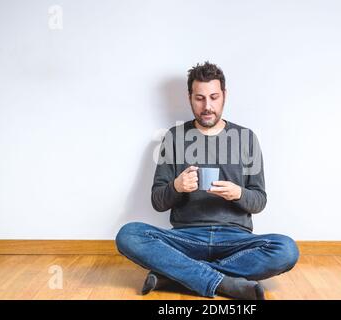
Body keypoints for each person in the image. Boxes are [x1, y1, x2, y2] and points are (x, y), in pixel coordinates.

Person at [115, 61, 299, 300]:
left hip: (236, 240)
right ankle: (224, 282)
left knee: (286, 249)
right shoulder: (174, 137)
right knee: (129, 235)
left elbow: (259, 201)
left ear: (224, 95)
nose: (207, 106)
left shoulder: (246, 138)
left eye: (214, 97)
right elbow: (158, 201)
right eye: (199, 98)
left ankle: (177, 275)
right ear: (190, 97)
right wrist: (176, 187)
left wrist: (238, 193)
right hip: (186, 238)